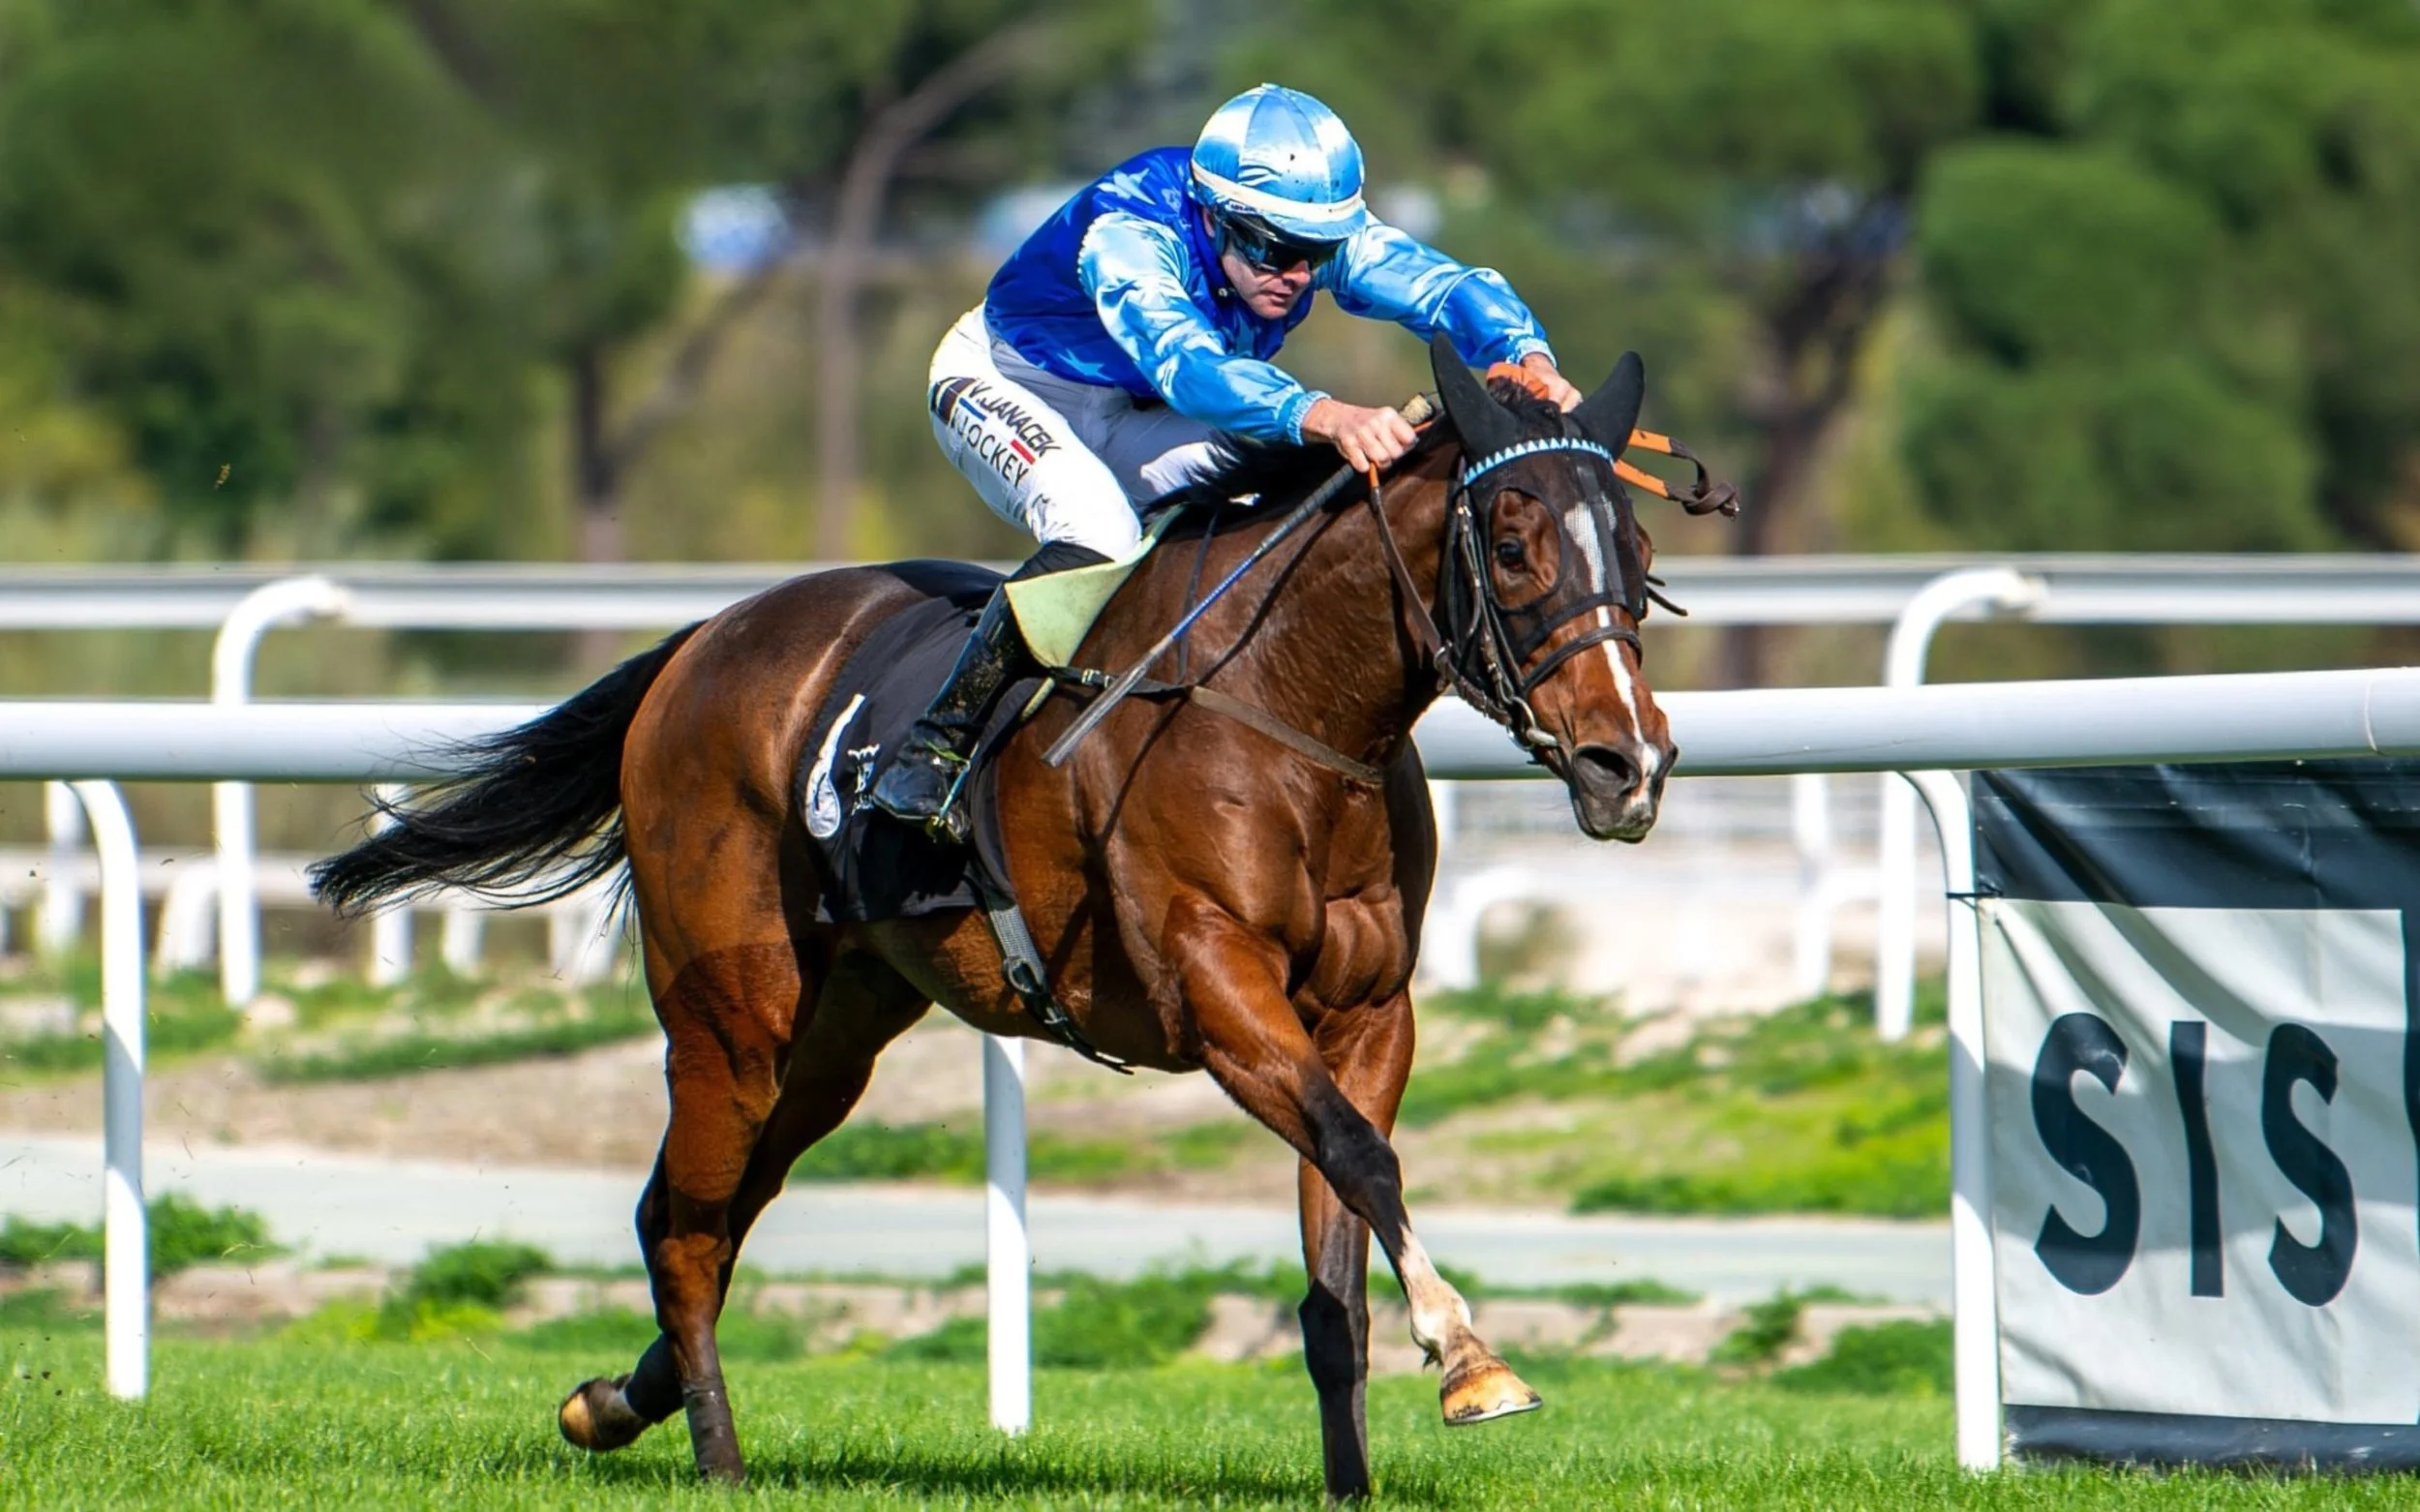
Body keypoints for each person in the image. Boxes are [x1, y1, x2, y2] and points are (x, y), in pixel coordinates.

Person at [871, 82, 1579, 835]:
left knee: (1300, 480)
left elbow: (1445, 288)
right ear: (1213, 216)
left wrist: (1524, 354)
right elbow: (1187, 366)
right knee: (1098, 532)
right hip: (1012, 385)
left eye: (1318, 255)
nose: (1298, 275)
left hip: (1140, 407)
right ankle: (940, 743)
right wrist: (1323, 412)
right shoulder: (1131, 233)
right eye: (1275, 250)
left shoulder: (1296, 233)